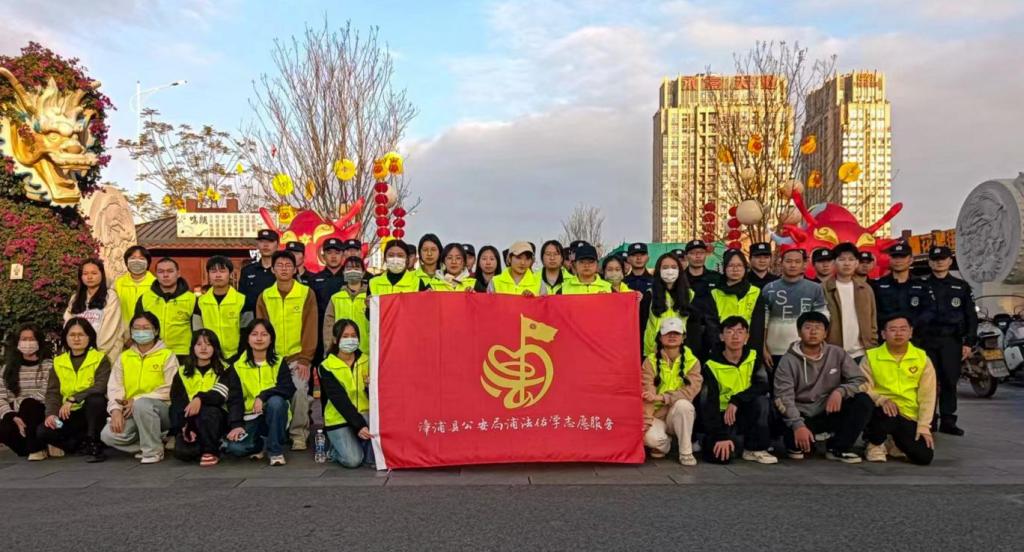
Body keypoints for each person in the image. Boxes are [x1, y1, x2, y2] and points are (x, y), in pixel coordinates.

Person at [774, 311, 873, 463]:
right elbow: (783, 397)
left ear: (825, 333)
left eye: (818, 328)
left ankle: (838, 448)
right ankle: (806, 439)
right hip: (801, 414)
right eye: (808, 328)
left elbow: (859, 380)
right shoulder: (788, 361)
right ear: (799, 332)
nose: (813, 332)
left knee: (863, 400)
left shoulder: (837, 353)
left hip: (829, 409)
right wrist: (798, 425)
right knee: (799, 451)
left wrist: (840, 391)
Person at [255, 250, 318, 451]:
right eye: (279, 265)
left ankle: (298, 434)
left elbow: (310, 327)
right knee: (270, 396)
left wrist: (305, 359)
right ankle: (274, 433)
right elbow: (260, 329)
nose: (284, 269)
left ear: (295, 269)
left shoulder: (306, 293)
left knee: (299, 392)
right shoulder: (265, 296)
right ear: (272, 269)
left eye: (288, 265)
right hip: (272, 358)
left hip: (296, 357)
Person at [101, 312, 178, 464]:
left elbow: (171, 388)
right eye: (136, 328)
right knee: (108, 435)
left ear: (156, 331)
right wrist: (115, 410)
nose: (141, 332)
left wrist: (137, 400)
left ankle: (153, 451)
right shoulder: (124, 357)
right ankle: (151, 443)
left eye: (146, 328)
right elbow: (115, 386)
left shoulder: (167, 355)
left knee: (142, 405)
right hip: (130, 410)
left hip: (161, 410)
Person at [700, 317, 777, 465]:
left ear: (747, 337)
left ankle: (756, 448)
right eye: (729, 332)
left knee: (762, 401)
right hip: (722, 416)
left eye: (740, 332)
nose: (735, 336)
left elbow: (762, 385)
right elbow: (709, 402)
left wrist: (736, 400)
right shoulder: (711, 364)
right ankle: (723, 441)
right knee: (721, 457)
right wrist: (720, 436)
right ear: (721, 336)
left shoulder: (754, 357)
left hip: (747, 411)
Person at [860, 314, 936, 465]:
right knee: (879, 410)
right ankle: (874, 443)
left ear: (911, 332)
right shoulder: (871, 357)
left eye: (903, 329)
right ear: (883, 334)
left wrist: (924, 426)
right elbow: (862, 386)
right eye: (893, 329)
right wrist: (881, 399)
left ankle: (893, 443)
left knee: (924, 457)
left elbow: (928, 396)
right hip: (881, 410)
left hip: (908, 415)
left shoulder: (922, 359)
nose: (898, 333)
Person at [918, 245, 976, 436]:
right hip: (927, 341)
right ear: (929, 262)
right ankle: (929, 419)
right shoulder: (921, 285)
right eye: (935, 260)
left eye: (943, 259)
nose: (939, 263)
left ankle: (948, 420)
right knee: (928, 382)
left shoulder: (961, 286)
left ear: (950, 261)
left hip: (951, 340)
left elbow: (970, 316)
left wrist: (969, 342)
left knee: (950, 381)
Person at [223, 319, 295, 466]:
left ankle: (275, 451)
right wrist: (236, 424)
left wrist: (262, 396)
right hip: (250, 418)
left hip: (274, 416)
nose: (259, 338)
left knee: (276, 402)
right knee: (235, 448)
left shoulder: (279, 362)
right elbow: (235, 398)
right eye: (254, 334)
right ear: (248, 338)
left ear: (271, 338)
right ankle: (261, 443)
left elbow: (288, 388)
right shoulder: (237, 366)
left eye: (264, 334)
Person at [38, 318, 110, 462]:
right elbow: (53, 392)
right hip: (68, 415)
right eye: (72, 335)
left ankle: (94, 443)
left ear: (89, 337)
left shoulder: (100, 358)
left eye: (81, 335)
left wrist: (74, 398)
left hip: (91, 413)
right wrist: (51, 414)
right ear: (66, 337)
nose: (76, 339)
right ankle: (78, 445)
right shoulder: (59, 361)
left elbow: (100, 386)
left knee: (96, 399)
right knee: (43, 431)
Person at [169, 329, 242, 466]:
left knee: (208, 411)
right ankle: (208, 444)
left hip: (218, 418)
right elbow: (177, 402)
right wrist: (184, 427)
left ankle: (211, 451)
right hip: (191, 420)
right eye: (199, 344)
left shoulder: (226, 369)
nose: (203, 348)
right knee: (183, 452)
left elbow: (224, 395)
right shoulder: (182, 371)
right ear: (193, 347)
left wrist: (200, 398)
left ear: (215, 348)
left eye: (208, 344)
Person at [641, 318, 701, 466]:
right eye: (668, 333)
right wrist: (646, 422)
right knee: (649, 438)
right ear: (660, 337)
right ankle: (666, 443)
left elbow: (689, 392)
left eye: (676, 333)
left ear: (683, 337)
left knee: (684, 405)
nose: (672, 336)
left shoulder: (693, 362)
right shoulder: (650, 361)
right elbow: (647, 393)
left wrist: (662, 397)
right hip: (656, 415)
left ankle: (685, 452)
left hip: (678, 414)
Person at [319, 319, 374, 468]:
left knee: (371, 459)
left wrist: (370, 387)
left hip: (365, 414)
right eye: (345, 336)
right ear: (335, 339)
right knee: (353, 460)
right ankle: (333, 451)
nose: (350, 339)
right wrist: (359, 426)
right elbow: (339, 400)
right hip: (339, 418)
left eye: (354, 335)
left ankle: (356, 443)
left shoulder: (368, 361)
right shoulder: (326, 366)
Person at [762, 248, 829, 369]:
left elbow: (822, 320)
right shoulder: (769, 289)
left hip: (805, 349)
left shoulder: (815, 288)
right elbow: (763, 322)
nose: (793, 265)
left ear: (804, 265)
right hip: (774, 350)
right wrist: (764, 349)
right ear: (781, 263)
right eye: (788, 261)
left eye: (797, 262)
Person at [639, 253, 714, 358]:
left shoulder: (690, 296)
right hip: (653, 355)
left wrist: (691, 353)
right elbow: (641, 326)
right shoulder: (649, 295)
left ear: (679, 270)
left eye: (674, 267)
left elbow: (694, 330)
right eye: (665, 267)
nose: (670, 271)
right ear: (658, 271)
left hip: (683, 355)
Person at [0, 325, 52, 460]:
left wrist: (22, 406)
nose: (28, 343)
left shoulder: (48, 366)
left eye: (32, 339)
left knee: (29, 404)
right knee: (4, 426)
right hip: (16, 414)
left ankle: (37, 448)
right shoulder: (7, 369)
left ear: (39, 342)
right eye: (24, 339)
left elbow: (46, 393)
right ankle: (31, 448)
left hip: (40, 412)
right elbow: (1, 396)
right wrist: (12, 415)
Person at [822, 243, 878, 363]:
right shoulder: (823, 289)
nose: (847, 263)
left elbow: (872, 319)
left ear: (856, 263)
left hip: (862, 352)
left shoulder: (865, 288)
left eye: (851, 259)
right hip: (833, 352)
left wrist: (872, 344)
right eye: (842, 259)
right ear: (834, 263)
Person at [135, 257, 196, 360]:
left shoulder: (192, 299)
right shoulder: (145, 298)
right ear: (156, 275)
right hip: (153, 352)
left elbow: (198, 330)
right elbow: (138, 327)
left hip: (183, 354)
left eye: (170, 271)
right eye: (161, 272)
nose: (165, 275)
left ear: (178, 273)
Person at [64, 258, 123, 359]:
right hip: (78, 353)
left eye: (94, 273)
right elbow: (68, 324)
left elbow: (110, 329)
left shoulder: (110, 297)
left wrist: (95, 354)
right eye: (85, 274)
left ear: (102, 274)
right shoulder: (75, 298)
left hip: (103, 354)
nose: (89, 277)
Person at [711, 249, 767, 355]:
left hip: (748, 349)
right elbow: (712, 327)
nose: (735, 269)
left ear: (745, 268)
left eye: (739, 265)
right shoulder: (715, 293)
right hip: (722, 350)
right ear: (724, 268)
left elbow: (757, 327)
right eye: (731, 265)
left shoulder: (755, 292)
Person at [871, 242, 933, 334]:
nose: (898, 261)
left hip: (916, 336)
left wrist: (909, 327)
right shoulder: (877, 285)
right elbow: (873, 313)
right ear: (890, 259)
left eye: (902, 257)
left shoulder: (924, 285)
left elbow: (929, 312)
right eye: (894, 257)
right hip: (886, 336)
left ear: (911, 260)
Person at [193, 256, 245, 360]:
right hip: (209, 356)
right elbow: (197, 332)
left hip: (236, 356)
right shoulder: (200, 302)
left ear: (230, 274)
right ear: (208, 275)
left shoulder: (242, 300)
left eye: (222, 271)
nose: (217, 275)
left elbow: (246, 331)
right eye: (213, 271)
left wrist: (240, 355)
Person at [324, 256, 369, 354]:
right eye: (349, 268)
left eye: (356, 268)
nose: (352, 271)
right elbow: (328, 326)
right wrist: (328, 349)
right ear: (344, 272)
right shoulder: (336, 298)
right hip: (340, 351)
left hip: (366, 351)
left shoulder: (370, 298)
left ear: (363, 273)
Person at [239, 228, 280, 322]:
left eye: (270, 241)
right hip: (253, 322)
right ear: (257, 244)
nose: (265, 245)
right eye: (262, 241)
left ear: (277, 245)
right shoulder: (247, 271)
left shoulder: (282, 271)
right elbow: (242, 300)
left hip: (277, 319)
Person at [114, 245, 155, 331]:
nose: (137, 261)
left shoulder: (156, 284)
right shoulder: (118, 283)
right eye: (133, 258)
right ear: (126, 262)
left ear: (148, 263)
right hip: (123, 332)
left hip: (149, 331)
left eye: (141, 258)